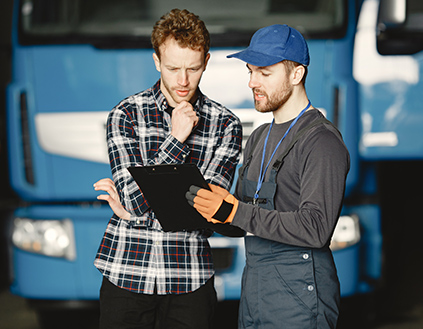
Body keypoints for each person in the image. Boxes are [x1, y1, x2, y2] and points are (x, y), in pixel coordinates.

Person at [186, 24, 350, 328]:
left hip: (300, 300)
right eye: (250, 71)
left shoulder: (321, 142)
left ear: (296, 74)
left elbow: (316, 229)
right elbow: (243, 220)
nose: (252, 82)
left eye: (264, 73)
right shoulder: (260, 137)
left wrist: (234, 210)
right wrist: (215, 211)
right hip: (255, 295)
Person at [93, 9, 242, 329]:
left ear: (207, 61)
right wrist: (176, 138)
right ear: (157, 61)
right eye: (173, 68)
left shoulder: (226, 123)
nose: (183, 80)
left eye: (193, 68)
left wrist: (137, 205)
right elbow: (135, 199)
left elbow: (205, 207)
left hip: (190, 277)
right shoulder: (125, 114)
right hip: (126, 272)